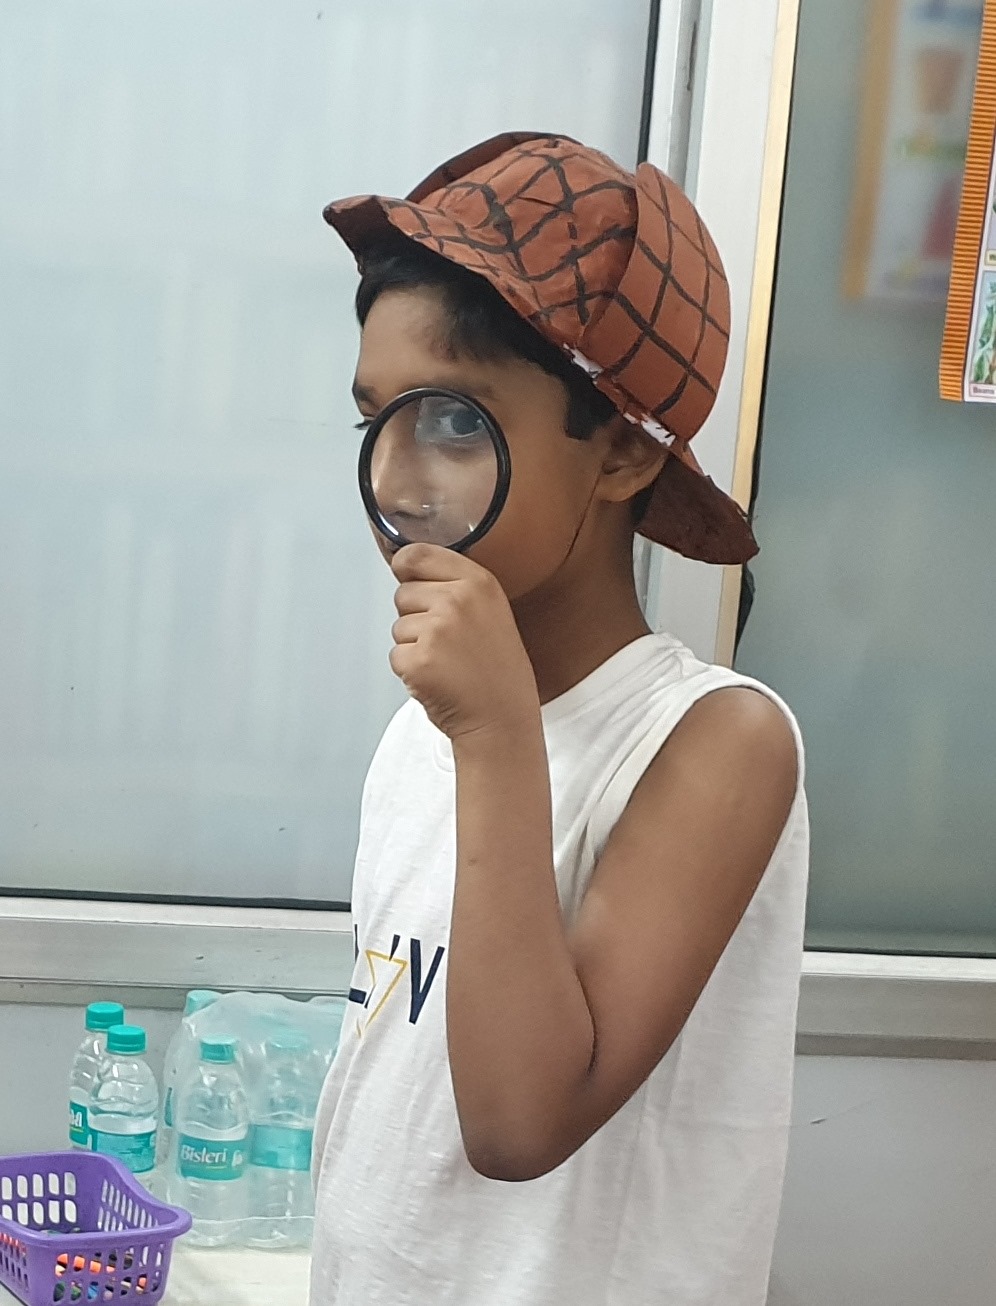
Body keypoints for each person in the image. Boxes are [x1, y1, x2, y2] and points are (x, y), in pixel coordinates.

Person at [310, 133, 809, 1306]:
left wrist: (497, 738)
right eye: (376, 419)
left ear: (624, 451)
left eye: (454, 422)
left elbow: (519, 1122)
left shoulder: (717, 742)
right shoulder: (420, 734)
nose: (397, 482)